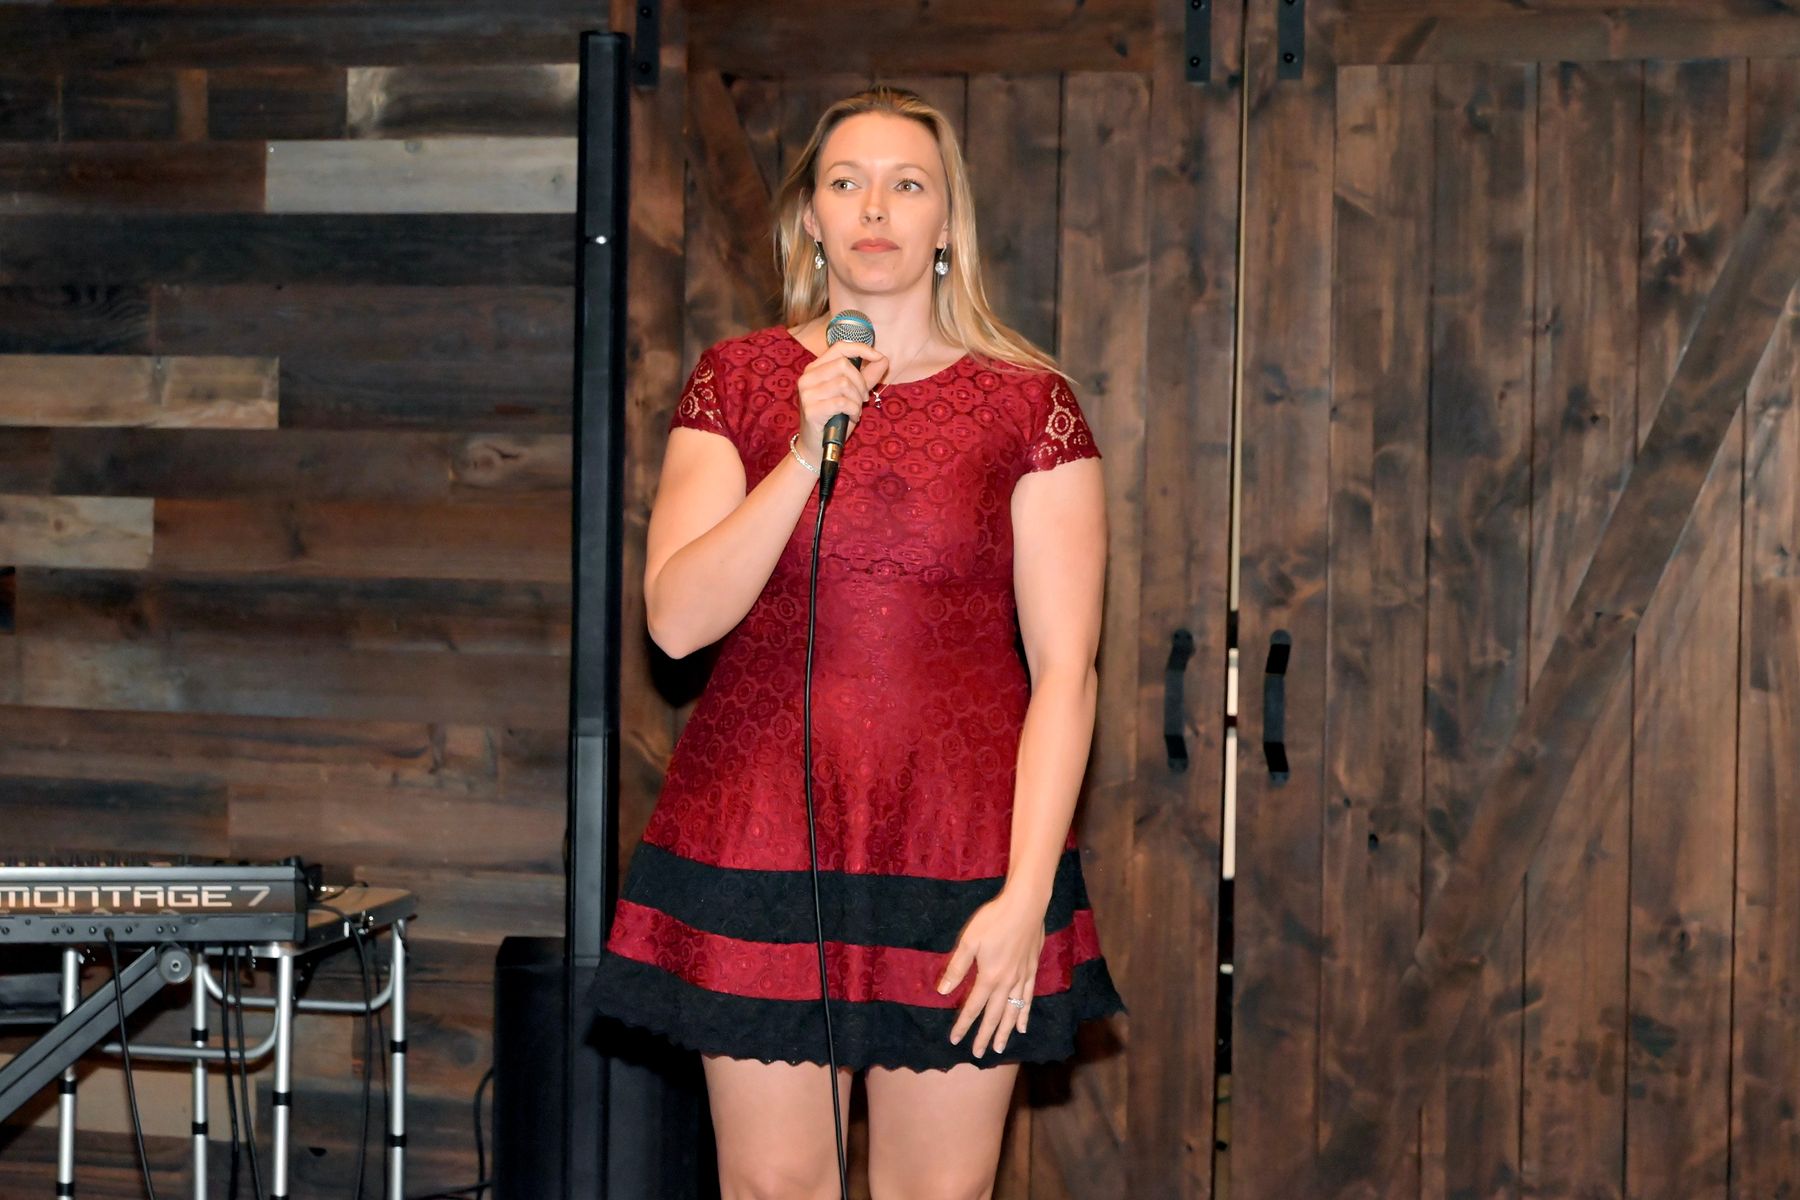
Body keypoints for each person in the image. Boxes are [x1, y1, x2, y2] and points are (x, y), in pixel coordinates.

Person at [587, 84, 1125, 1199]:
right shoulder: (738, 381)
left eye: (906, 184)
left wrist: (1026, 898)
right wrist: (802, 449)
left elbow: (1066, 674)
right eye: (847, 182)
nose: (875, 207)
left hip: (962, 851)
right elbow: (676, 622)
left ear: (946, 221)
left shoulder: (1030, 404)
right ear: (812, 218)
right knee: (776, 1188)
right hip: (762, 839)